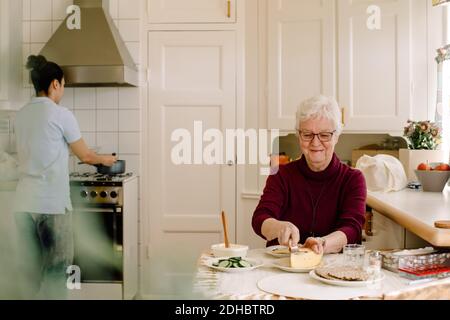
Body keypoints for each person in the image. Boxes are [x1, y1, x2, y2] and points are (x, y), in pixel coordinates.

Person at [13, 55, 117, 299]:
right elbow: (86, 156)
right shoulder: (61, 114)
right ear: (55, 85)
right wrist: (106, 159)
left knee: (30, 273)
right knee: (57, 272)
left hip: (23, 204)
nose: (63, 90)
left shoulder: (21, 115)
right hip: (51, 205)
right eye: (63, 84)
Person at [252, 95, 367, 255]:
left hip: (329, 268)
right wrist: (279, 227)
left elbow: (352, 229)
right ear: (299, 136)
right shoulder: (280, 174)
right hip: (283, 265)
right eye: (307, 134)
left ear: (336, 136)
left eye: (325, 134)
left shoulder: (353, 179)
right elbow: (260, 218)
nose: (315, 142)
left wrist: (322, 244)